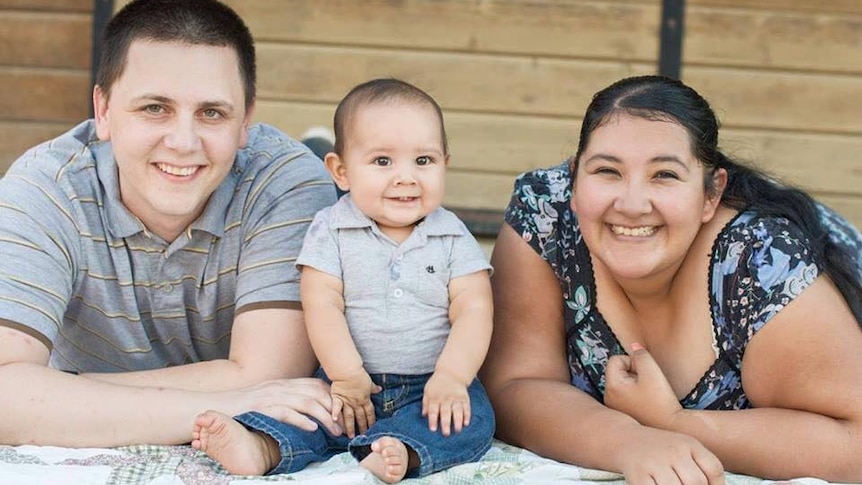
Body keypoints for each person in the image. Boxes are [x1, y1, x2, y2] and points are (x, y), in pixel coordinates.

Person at [480, 74, 862, 485]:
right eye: (607, 170)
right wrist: (629, 442)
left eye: (664, 175)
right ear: (574, 180)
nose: (631, 204)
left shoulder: (761, 261)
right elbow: (514, 383)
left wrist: (672, 422)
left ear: (711, 194)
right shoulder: (547, 212)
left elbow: (854, 444)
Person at [0, 0, 341, 447]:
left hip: (287, 189)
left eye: (212, 113)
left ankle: (317, 149)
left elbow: (271, 376)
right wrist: (236, 400)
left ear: (246, 121)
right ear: (102, 111)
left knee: (342, 198)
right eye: (155, 108)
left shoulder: (287, 183)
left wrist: (62, 387)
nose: (183, 142)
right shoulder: (45, 187)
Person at [191, 78, 496, 483]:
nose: (406, 177)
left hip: (431, 384)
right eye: (383, 162)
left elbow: (474, 307)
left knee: (472, 420)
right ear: (341, 171)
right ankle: (259, 446)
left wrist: (454, 377)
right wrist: (346, 374)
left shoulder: (452, 235)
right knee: (308, 413)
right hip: (346, 382)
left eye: (424, 161)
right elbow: (322, 304)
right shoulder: (331, 229)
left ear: (445, 164)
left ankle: (400, 451)